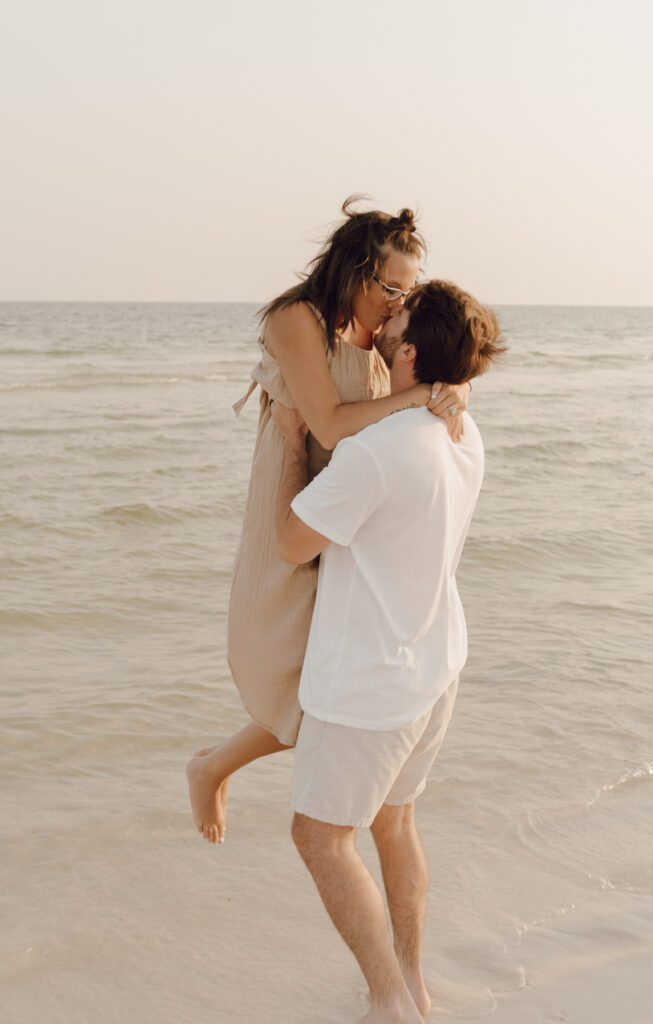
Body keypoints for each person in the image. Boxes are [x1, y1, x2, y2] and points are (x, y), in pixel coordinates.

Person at [188, 200, 471, 844]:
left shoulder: (378, 337)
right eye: (391, 287)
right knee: (290, 674)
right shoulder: (298, 320)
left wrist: (456, 388)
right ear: (355, 270)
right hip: (292, 500)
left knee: (328, 688)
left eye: (409, 290)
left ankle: (214, 765)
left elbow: (437, 371)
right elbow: (328, 425)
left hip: (346, 510)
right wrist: (422, 395)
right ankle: (211, 769)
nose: (398, 301)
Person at [270, 280, 506, 1024]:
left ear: (407, 352)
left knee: (318, 836)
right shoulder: (463, 434)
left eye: (395, 317)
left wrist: (290, 447)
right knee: (394, 822)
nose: (381, 321)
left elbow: (289, 542)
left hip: (372, 684)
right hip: (436, 667)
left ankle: (388, 1002)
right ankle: (411, 979)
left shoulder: (374, 453)